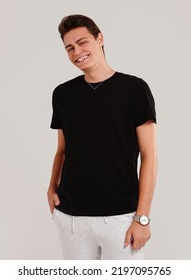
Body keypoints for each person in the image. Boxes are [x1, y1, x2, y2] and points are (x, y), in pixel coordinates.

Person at [47, 14, 158, 260]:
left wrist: (142, 218)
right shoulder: (63, 94)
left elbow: (149, 157)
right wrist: (51, 185)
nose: (77, 52)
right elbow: (63, 150)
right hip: (72, 219)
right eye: (69, 48)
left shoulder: (135, 90)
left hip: (120, 218)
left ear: (100, 39)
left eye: (82, 42)